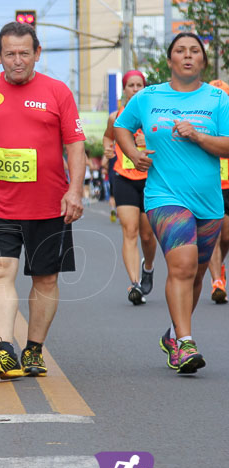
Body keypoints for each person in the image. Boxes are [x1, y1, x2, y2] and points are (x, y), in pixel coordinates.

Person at [0, 21, 85, 379]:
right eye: (10, 54)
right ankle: (5, 347)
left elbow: (75, 145)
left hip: (49, 204)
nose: (17, 61)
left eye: (24, 53)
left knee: (46, 279)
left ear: (37, 53)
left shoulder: (57, 92)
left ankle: (33, 349)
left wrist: (75, 190)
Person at [115, 32, 229, 375]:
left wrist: (198, 135)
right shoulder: (149, 97)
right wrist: (133, 154)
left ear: (204, 61)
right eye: (181, 51)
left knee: (194, 274)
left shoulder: (217, 99)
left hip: (208, 201)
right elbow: (121, 126)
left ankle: (174, 335)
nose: (188, 56)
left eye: (195, 51)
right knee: (182, 265)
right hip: (164, 195)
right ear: (170, 60)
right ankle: (187, 342)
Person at [103, 69, 156, 305]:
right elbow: (108, 137)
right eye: (130, 85)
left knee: (147, 235)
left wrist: (150, 141)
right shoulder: (116, 117)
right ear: (124, 90)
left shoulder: (153, 116)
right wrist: (107, 148)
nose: (135, 89)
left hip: (149, 179)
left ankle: (148, 267)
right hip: (123, 178)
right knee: (130, 231)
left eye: (139, 85)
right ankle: (134, 283)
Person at [205, 79, 229, 304]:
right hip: (212, 185)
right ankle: (216, 282)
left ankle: (219, 267)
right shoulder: (203, 121)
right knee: (215, 235)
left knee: (227, 236)